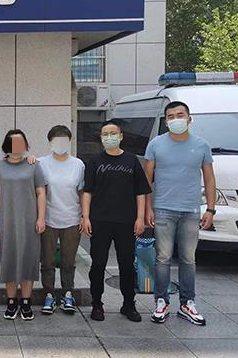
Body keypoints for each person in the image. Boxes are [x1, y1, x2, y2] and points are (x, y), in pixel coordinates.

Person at [145, 101, 216, 326]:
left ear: (189, 118)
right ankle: (161, 301)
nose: (176, 119)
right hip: (163, 209)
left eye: (180, 115)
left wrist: (210, 209)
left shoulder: (202, 145)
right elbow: (146, 180)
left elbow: (209, 178)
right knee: (163, 258)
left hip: (191, 210)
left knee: (188, 259)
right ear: (166, 122)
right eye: (171, 116)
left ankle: (187, 303)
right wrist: (147, 208)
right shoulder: (156, 144)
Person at [80, 120, 151, 323]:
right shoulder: (94, 162)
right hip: (100, 220)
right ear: (101, 138)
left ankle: (128, 303)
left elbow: (140, 192)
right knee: (98, 265)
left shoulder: (131, 160)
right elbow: (87, 192)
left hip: (126, 221)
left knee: (126, 265)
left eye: (113, 133)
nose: (109, 137)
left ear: (121, 136)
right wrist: (85, 217)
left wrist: (140, 218)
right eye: (105, 134)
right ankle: (97, 304)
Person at [0, 129, 46, 321]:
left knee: (29, 259)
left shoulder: (33, 165)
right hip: (7, 221)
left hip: (30, 221)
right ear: (6, 146)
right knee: (9, 259)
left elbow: (41, 193)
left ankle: (26, 301)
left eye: (21, 143)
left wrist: (41, 218)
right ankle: (11, 301)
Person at [38, 125, 85, 315]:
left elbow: (82, 192)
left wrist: (84, 216)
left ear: (69, 141)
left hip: (72, 218)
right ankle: (48, 294)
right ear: (49, 142)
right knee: (47, 261)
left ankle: (68, 294)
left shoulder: (78, 164)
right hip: (48, 219)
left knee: (68, 261)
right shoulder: (40, 163)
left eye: (64, 140)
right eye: (55, 140)